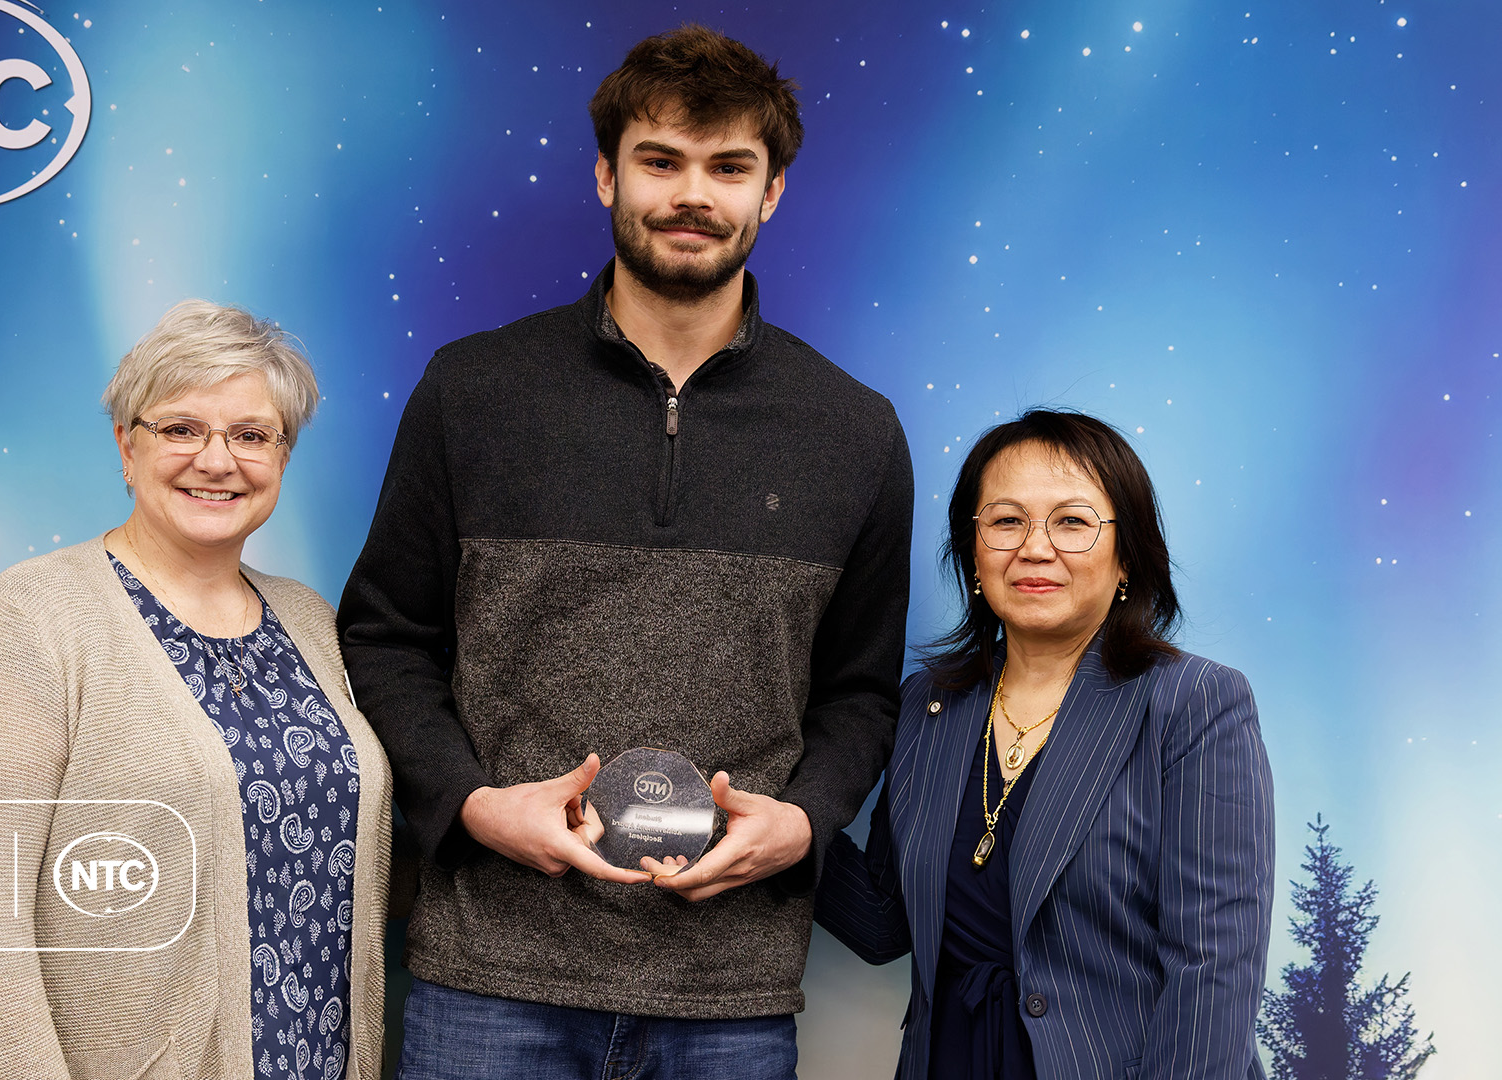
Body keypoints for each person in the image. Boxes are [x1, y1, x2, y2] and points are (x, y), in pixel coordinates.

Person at [337, 25, 913, 1080]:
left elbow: (862, 693)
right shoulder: (474, 392)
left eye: (729, 167)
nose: (694, 194)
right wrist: (470, 804)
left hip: (730, 999)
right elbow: (384, 637)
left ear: (772, 191)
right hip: (489, 982)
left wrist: (805, 821)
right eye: (662, 160)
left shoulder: (856, 431)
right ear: (607, 174)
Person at [0, 300, 394, 1080]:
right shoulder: (35, 615)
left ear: (283, 456)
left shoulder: (309, 619)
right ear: (125, 445)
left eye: (251, 435)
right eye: (181, 429)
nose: (218, 461)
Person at [815, 409, 1275, 1080]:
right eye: (1005, 521)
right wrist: (768, 812)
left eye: (1072, 521)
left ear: (1127, 555)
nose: (1035, 547)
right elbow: (886, 922)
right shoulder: (930, 703)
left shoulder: (1193, 703)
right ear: (973, 552)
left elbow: (1214, 972)